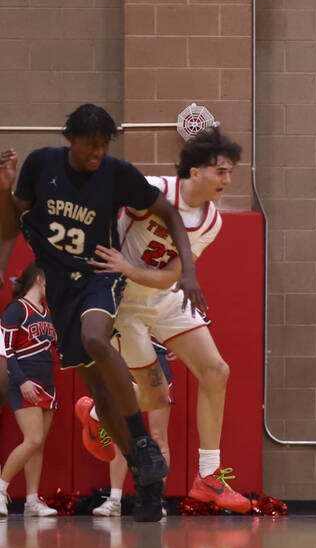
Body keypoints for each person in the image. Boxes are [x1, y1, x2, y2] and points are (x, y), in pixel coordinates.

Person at [0, 104, 206, 523]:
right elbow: (9, 225)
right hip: (58, 286)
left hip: (98, 275)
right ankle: (145, 482)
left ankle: (144, 446)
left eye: (103, 145)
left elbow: (168, 213)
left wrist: (189, 270)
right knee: (100, 392)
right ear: (70, 139)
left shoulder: (116, 173)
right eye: (90, 144)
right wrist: (4, 190)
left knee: (96, 336)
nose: (97, 152)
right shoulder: (42, 164)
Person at [86, 127, 250, 513]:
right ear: (195, 172)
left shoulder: (212, 223)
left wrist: (131, 267)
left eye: (229, 172)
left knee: (217, 371)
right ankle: (95, 411)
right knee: (155, 397)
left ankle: (208, 476)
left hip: (160, 295)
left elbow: (171, 274)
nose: (227, 180)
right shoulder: (150, 188)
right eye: (221, 171)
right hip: (122, 304)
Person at [0, 264, 58, 517]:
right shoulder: (17, 309)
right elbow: (5, 350)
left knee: (39, 445)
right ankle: (1, 488)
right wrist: (22, 381)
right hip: (24, 382)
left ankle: (32, 501)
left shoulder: (47, 312)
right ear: (39, 278)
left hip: (47, 383)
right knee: (32, 439)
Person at [92, 340, 174, 518]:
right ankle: (114, 499)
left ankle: (156, 499)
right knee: (121, 435)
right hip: (126, 361)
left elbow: (192, 320)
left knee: (159, 437)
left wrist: (181, 346)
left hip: (156, 363)